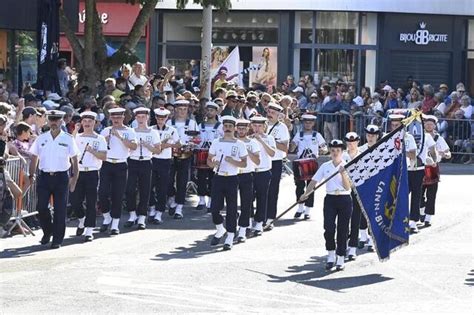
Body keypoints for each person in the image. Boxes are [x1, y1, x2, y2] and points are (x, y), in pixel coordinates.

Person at [29, 110, 80, 249]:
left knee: (60, 209)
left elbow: (75, 160)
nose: (54, 122)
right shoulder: (41, 138)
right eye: (51, 119)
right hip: (45, 176)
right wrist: (31, 174)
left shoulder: (68, 138)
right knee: (41, 207)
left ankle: (57, 239)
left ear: (62, 121)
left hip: (61, 177)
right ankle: (48, 231)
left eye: (57, 119)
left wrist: (74, 178)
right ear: (48, 120)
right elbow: (34, 156)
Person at [300, 139, 352, 271]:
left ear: (342, 152)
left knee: (343, 230)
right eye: (333, 150)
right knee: (329, 228)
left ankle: (340, 257)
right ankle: (331, 255)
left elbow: (347, 187)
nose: (335, 153)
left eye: (338, 151)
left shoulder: (347, 166)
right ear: (330, 151)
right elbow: (314, 181)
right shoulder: (325, 166)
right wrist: (306, 193)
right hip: (330, 199)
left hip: (344, 199)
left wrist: (343, 174)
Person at [389, 114, 436, 234]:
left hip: (414, 170)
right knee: (397, 196)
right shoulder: (387, 138)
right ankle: (396, 221)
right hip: (397, 170)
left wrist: (400, 150)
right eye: (393, 125)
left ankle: (413, 221)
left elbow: (413, 155)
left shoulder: (408, 137)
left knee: (416, 196)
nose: (395, 127)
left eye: (397, 125)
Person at [207, 116, 248, 250]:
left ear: (234, 128)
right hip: (218, 176)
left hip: (232, 177)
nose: (228, 129)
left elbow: (244, 163)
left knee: (231, 208)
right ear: (223, 128)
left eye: (231, 126)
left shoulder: (239, 144)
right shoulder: (216, 142)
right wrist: (212, 162)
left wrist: (233, 161)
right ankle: (220, 228)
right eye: (226, 126)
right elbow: (209, 159)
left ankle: (230, 236)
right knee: (214, 207)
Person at [99, 107, 137, 235]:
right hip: (107, 163)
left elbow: (134, 146)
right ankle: (106, 216)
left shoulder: (129, 131)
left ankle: (115, 223)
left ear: (123, 117)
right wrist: (105, 141)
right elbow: (98, 146)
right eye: (113, 117)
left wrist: (120, 137)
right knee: (103, 192)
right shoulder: (105, 130)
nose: (116, 119)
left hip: (121, 164)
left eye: (119, 117)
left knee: (118, 194)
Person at [72, 111, 107, 242]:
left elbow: (104, 156)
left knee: (91, 201)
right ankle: (81, 219)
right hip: (78, 172)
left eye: (90, 121)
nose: (87, 124)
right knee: (75, 201)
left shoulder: (99, 138)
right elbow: (70, 145)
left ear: (94, 123)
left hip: (92, 172)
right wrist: (75, 131)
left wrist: (93, 151)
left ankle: (89, 230)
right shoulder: (77, 136)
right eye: (85, 121)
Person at [124, 107, 161, 230]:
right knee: (130, 189)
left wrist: (147, 145)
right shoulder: (131, 131)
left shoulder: (153, 132)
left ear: (147, 118)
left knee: (145, 190)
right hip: (132, 161)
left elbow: (158, 150)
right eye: (138, 117)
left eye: (143, 117)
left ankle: (142, 217)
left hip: (145, 161)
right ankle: (132, 214)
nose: (141, 119)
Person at [289, 114, 327, 219]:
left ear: (313, 123)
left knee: (311, 186)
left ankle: (307, 210)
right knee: (299, 186)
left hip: (312, 163)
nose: (308, 124)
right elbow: (292, 148)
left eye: (310, 122)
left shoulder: (317, 135)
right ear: (303, 123)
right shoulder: (298, 135)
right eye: (306, 122)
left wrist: (322, 150)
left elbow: (324, 148)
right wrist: (291, 143)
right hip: (300, 163)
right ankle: (300, 207)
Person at [166, 99, 199, 219]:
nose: (182, 112)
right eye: (179, 109)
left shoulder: (192, 123)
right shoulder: (169, 122)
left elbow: (196, 139)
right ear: (175, 110)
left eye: (184, 109)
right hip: (170, 153)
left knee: (182, 180)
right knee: (168, 180)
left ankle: (179, 207)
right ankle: (171, 197)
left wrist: (192, 143)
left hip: (186, 154)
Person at [149, 107, 179, 224]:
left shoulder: (172, 130)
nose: (160, 120)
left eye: (163, 118)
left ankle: (159, 212)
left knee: (163, 187)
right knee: (149, 185)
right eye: (158, 117)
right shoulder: (151, 129)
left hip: (165, 160)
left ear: (167, 118)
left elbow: (178, 144)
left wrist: (168, 145)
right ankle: (151, 207)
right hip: (152, 159)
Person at [421, 114, 451, 227]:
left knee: (431, 193)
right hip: (420, 167)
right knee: (419, 192)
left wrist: (446, 154)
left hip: (433, 168)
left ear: (434, 125)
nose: (429, 126)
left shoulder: (438, 138)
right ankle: (421, 210)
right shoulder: (421, 137)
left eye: (431, 124)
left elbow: (448, 152)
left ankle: (428, 217)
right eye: (427, 124)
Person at [249, 115, 275, 236]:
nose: (257, 128)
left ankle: (259, 223)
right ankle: (248, 221)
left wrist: (261, 140)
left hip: (263, 171)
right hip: (250, 171)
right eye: (255, 125)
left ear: (264, 126)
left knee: (262, 198)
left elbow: (272, 153)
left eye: (260, 126)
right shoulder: (248, 138)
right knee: (248, 198)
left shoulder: (269, 138)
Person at [265, 103, 290, 230]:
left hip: (275, 161)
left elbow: (285, 148)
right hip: (262, 161)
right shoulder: (261, 124)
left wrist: (269, 141)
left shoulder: (282, 127)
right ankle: (259, 217)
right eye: (269, 112)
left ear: (278, 115)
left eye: (273, 113)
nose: (270, 114)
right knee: (259, 189)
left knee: (273, 190)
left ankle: (270, 218)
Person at [235, 119, 260, 242]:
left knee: (246, 203)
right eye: (239, 128)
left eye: (244, 128)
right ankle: (232, 227)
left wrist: (246, 149)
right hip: (233, 174)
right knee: (232, 204)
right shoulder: (232, 141)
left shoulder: (253, 143)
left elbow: (257, 161)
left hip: (247, 174)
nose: (241, 131)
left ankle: (243, 230)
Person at [356, 124, 381, 251]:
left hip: (376, 185)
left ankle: (372, 240)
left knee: (374, 212)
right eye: (368, 135)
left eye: (373, 135)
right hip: (362, 184)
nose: (370, 138)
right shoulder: (359, 150)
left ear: (377, 136)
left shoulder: (382, 149)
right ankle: (363, 236)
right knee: (361, 211)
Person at [195, 102, 223, 211]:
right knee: (201, 177)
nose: (209, 112)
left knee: (213, 178)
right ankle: (201, 199)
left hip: (214, 154)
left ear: (216, 112)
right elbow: (196, 138)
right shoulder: (200, 125)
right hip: (202, 152)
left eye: (212, 110)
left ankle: (211, 200)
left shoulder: (220, 126)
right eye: (208, 110)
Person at [342, 132, 362, 260]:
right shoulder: (342, 155)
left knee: (355, 219)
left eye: (353, 142)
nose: (351, 144)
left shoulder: (363, 155)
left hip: (357, 190)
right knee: (344, 220)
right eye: (348, 142)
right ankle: (343, 245)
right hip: (344, 191)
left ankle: (353, 247)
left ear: (357, 142)